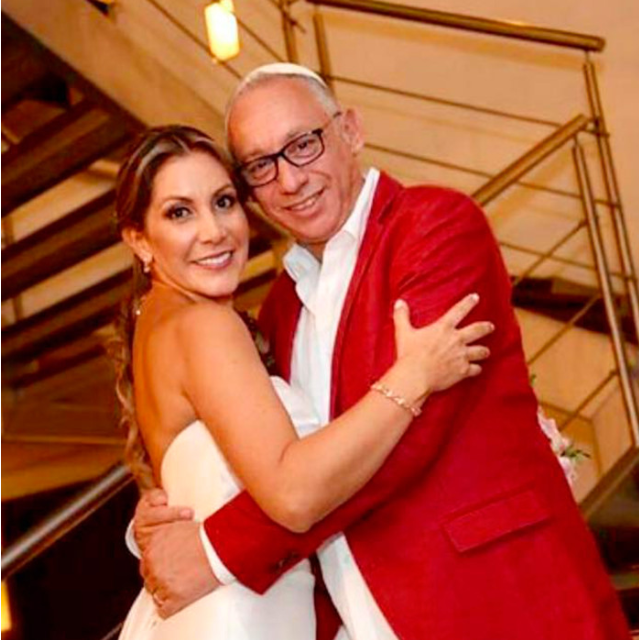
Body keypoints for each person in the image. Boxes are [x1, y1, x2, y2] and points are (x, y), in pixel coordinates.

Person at [134, 65, 631, 640]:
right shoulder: (276, 311)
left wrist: (217, 548)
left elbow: (405, 441)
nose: (290, 180)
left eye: (303, 144)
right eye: (261, 166)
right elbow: (272, 460)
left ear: (350, 131)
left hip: (499, 603)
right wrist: (168, 513)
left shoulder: (436, 228)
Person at [113, 124, 494, 640]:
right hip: (240, 617)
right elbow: (294, 494)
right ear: (138, 239)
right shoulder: (204, 324)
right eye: (180, 212)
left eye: (223, 202)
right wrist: (415, 375)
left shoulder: (156, 325)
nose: (214, 231)